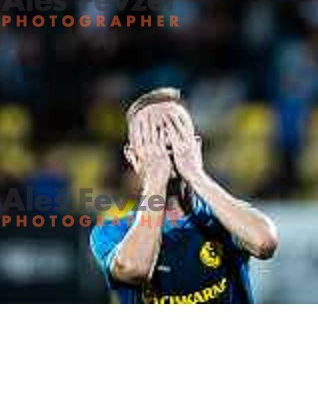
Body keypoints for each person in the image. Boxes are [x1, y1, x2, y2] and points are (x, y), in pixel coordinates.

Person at [90, 87, 279, 304]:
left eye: (175, 130)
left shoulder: (222, 217)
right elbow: (136, 268)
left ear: (196, 145)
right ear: (132, 156)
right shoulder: (112, 231)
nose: (166, 144)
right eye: (152, 136)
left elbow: (264, 242)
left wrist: (195, 174)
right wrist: (155, 180)